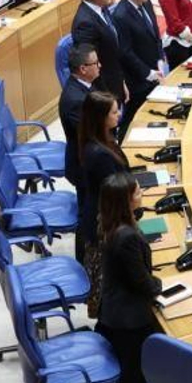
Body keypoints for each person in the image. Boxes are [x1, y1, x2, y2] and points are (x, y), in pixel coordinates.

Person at [94, 171, 162, 383]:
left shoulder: (109, 223)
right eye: (137, 192)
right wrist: (161, 285)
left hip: (115, 313)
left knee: (129, 372)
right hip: (129, 320)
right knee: (135, 373)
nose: (141, 194)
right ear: (126, 201)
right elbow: (143, 283)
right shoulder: (127, 238)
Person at [74, 88, 127, 269]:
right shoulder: (99, 154)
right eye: (114, 112)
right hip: (104, 225)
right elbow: (115, 192)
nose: (119, 114)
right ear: (101, 118)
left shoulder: (101, 140)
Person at [112, 0, 164, 115]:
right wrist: (147, 73)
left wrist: (160, 58)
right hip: (138, 81)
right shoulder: (121, 16)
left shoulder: (146, 3)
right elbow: (125, 52)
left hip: (155, 71)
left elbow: (155, 34)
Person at [58, 42, 97, 192]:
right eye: (95, 63)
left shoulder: (84, 85)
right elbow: (92, 135)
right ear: (83, 69)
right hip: (84, 167)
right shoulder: (76, 100)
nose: (99, 66)